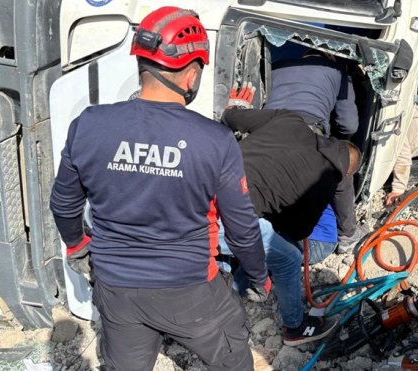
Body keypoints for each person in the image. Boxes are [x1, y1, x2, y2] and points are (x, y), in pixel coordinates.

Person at [49, 7, 269, 371]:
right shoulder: (214, 141)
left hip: (117, 289)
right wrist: (259, 276)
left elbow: (63, 204)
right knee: (233, 363)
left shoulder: (89, 124)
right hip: (191, 291)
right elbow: (242, 227)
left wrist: (76, 245)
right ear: (192, 75)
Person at [218, 106, 361, 346]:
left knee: (224, 259)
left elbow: (230, 116)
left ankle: (216, 296)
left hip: (196, 186)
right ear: (347, 172)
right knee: (288, 258)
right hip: (224, 215)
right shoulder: (325, 182)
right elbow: (296, 231)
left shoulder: (288, 119)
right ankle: (295, 327)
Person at [264, 50, 368, 254]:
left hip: (265, 131)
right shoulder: (337, 71)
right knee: (340, 173)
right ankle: (348, 233)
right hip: (306, 131)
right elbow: (349, 125)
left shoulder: (275, 67)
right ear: (331, 56)